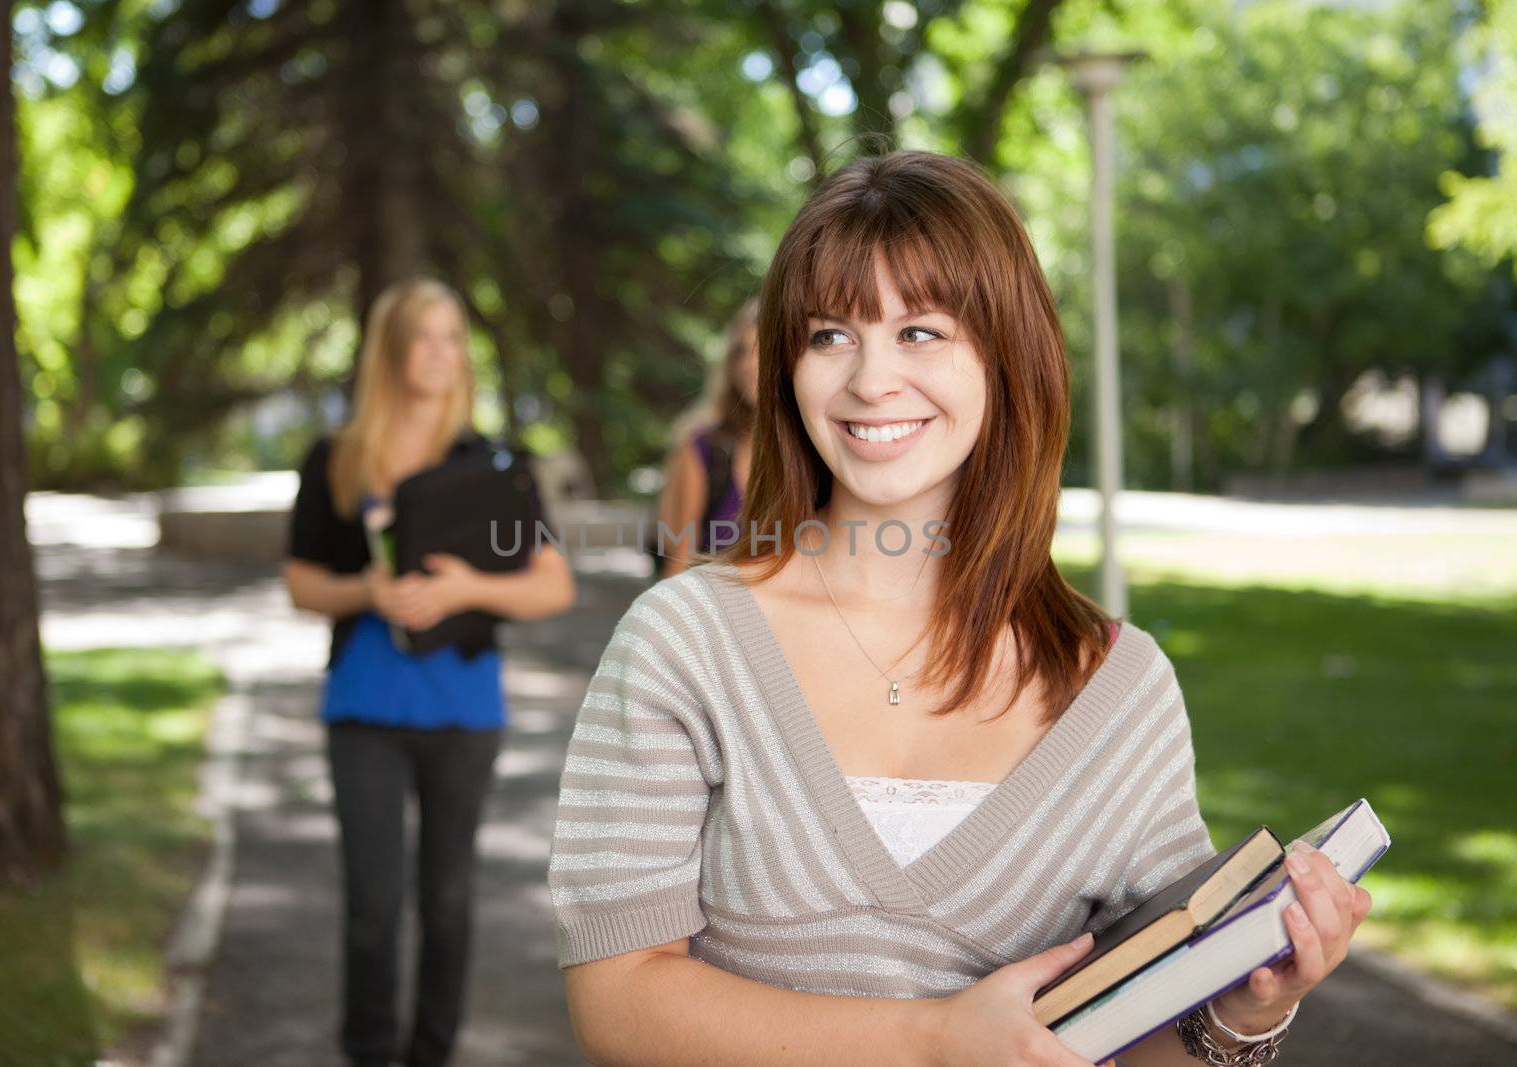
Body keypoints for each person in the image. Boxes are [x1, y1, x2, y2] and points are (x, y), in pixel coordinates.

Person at [547, 153, 1369, 1067]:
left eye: (921, 331)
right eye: (829, 335)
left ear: (1005, 355)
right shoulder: (683, 643)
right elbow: (618, 1004)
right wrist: (933, 1038)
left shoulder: (1120, 689)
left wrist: (1246, 1012)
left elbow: (1124, 1042)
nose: (869, 380)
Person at [284, 277, 575, 1067]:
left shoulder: (491, 465)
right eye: (424, 336)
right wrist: (365, 591)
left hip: (462, 710)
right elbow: (300, 582)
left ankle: (432, 1054)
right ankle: (368, 1054)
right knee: (372, 906)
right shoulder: (338, 459)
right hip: (364, 708)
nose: (441, 354)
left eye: (453, 338)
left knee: (446, 903)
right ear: (389, 350)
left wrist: (466, 587)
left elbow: (554, 584)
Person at [654, 297, 760, 575]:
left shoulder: (818, 450)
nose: (749, 365)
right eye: (741, 351)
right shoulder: (705, 448)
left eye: (762, 349)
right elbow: (680, 557)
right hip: (715, 612)